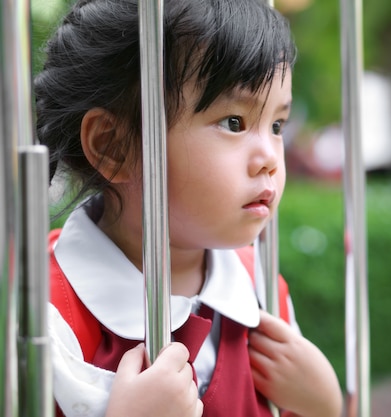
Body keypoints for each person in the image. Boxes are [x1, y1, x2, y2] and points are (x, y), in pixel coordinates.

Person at [34, 0, 343, 416]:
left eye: (277, 125)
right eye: (234, 122)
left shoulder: (261, 289)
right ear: (113, 146)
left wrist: (323, 405)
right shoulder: (49, 314)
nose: (270, 156)